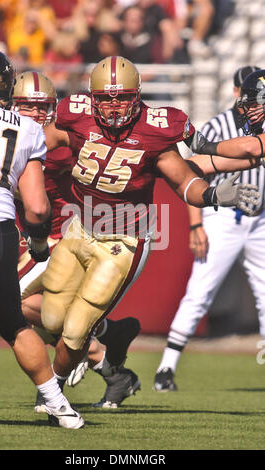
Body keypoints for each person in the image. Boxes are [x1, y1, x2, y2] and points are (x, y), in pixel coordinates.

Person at [36, 55, 259, 421]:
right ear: (92, 98)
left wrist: (214, 195)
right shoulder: (72, 113)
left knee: (75, 332)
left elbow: (184, 177)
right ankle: (114, 337)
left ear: (138, 95)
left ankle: (53, 390)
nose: (114, 106)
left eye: (122, 97)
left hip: (124, 236)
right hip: (79, 227)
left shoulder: (159, 126)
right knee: (50, 318)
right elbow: (35, 148)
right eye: (106, 98)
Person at [0, 48, 83, 429]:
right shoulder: (30, 129)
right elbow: (36, 208)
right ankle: (59, 405)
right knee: (14, 325)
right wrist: (36, 244)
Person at [12, 70, 141, 410]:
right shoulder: (12, 137)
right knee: (28, 319)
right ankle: (110, 360)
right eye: (28, 106)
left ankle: (93, 344)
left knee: (11, 301)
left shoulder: (55, 144)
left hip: (62, 238)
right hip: (37, 241)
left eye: (44, 107)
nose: (38, 114)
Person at [153, 65, 265, 391]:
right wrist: (195, 223)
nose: (251, 107)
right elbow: (204, 170)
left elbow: (250, 150)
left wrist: (207, 151)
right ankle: (166, 368)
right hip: (226, 217)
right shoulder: (220, 124)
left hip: (259, 219)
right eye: (250, 100)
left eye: (258, 102)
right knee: (200, 291)